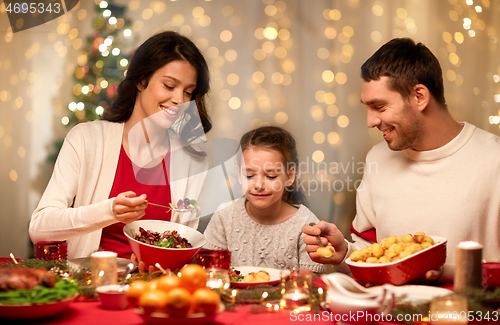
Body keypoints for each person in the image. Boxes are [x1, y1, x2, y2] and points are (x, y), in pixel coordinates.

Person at [303, 38, 500, 282]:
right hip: (392, 316)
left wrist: (446, 271)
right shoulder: (377, 158)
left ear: (419, 96)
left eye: (380, 106)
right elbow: (372, 253)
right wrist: (344, 252)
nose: (371, 121)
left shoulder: (494, 160)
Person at [29, 31, 212, 268]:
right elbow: (40, 228)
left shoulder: (193, 160)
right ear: (140, 80)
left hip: (154, 289)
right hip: (88, 283)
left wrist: (163, 263)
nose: (179, 100)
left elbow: (185, 246)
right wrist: (109, 211)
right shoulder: (87, 139)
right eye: (169, 85)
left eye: (188, 92)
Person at [204, 126, 326, 273]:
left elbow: (308, 284)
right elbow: (210, 275)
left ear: (290, 175)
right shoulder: (224, 217)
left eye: (271, 176)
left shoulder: (306, 224)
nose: (259, 185)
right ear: (239, 174)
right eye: (249, 175)